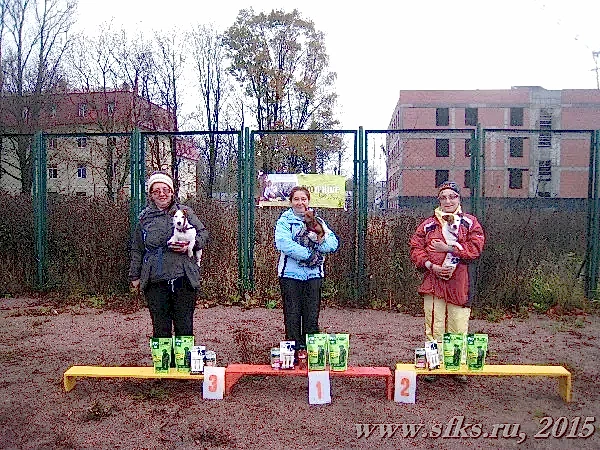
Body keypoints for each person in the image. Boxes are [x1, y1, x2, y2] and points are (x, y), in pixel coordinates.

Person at [409, 181, 484, 381]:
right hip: (433, 282)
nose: (448, 201)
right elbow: (416, 249)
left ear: (459, 199)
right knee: (434, 325)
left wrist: (449, 249)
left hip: (460, 283)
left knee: (458, 325)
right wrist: (431, 266)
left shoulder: (470, 222)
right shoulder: (428, 225)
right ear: (438, 200)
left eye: (452, 196)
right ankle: (434, 365)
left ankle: (456, 366)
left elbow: (475, 249)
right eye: (443, 197)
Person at [129, 171, 209, 342]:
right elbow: (137, 248)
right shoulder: (144, 218)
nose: (162, 194)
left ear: (172, 192)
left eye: (166, 189)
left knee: (184, 326)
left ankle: (184, 359)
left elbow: (203, 233)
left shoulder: (185, 212)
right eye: (156, 190)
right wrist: (135, 276)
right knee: (160, 328)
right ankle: (163, 359)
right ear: (151, 195)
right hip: (155, 278)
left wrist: (191, 245)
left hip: (184, 276)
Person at [275, 186, 339, 352]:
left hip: (314, 276)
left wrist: (319, 241)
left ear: (308, 201)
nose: (300, 202)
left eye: (303, 199)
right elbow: (283, 244)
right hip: (290, 276)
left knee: (311, 317)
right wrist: (309, 256)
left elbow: (333, 244)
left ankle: (312, 354)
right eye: (296, 199)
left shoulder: (319, 222)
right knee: (292, 315)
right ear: (291, 202)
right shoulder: (284, 221)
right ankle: (293, 353)